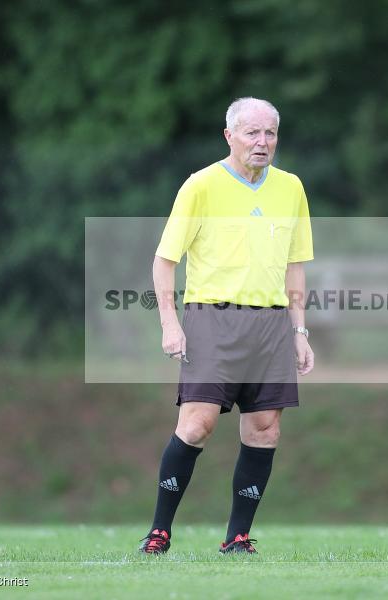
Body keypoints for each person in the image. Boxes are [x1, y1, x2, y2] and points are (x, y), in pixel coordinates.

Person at [139, 97, 314, 555]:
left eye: (270, 133)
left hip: (273, 324)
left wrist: (300, 331)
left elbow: (296, 265)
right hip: (211, 318)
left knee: (265, 430)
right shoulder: (201, 186)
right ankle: (160, 531)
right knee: (197, 425)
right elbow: (164, 262)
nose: (263, 142)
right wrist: (169, 324)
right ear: (229, 136)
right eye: (252, 133)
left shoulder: (291, 188)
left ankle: (237, 538)